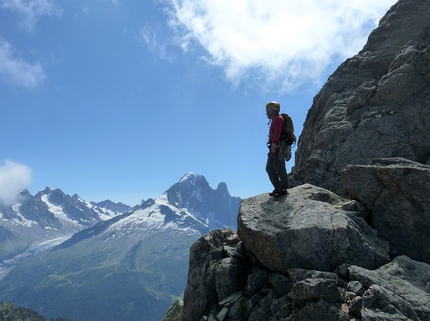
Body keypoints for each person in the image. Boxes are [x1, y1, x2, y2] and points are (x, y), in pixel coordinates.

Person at [265, 101, 289, 197]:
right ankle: (277, 187)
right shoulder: (275, 119)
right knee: (269, 168)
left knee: (279, 168)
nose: (266, 112)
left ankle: (283, 188)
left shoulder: (278, 119)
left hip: (277, 146)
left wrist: (274, 144)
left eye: (267, 110)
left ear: (272, 110)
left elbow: (278, 132)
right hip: (273, 147)